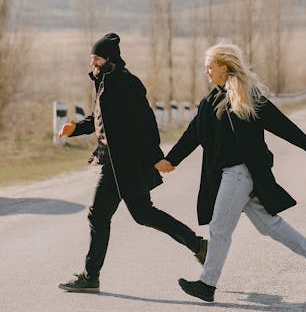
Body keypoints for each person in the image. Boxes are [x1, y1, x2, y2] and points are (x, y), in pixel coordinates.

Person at [155, 43, 306, 303]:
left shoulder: (247, 96)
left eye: (210, 66)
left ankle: (207, 284)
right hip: (232, 176)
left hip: (240, 175)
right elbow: (192, 135)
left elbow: (279, 123)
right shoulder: (210, 100)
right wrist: (170, 160)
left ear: (224, 67)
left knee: (219, 229)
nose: (206, 71)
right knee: (269, 225)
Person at [57, 33, 208, 293]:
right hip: (112, 161)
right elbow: (99, 118)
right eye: (92, 59)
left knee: (105, 215)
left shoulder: (127, 84)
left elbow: (146, 123)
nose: (93, 64)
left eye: (97, 59)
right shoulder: (103, 81)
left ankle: (91, 276)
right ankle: (197, 245)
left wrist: (156, 157)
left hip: (126, 163)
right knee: (140, 214)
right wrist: (75, 128)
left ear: (110, 59)